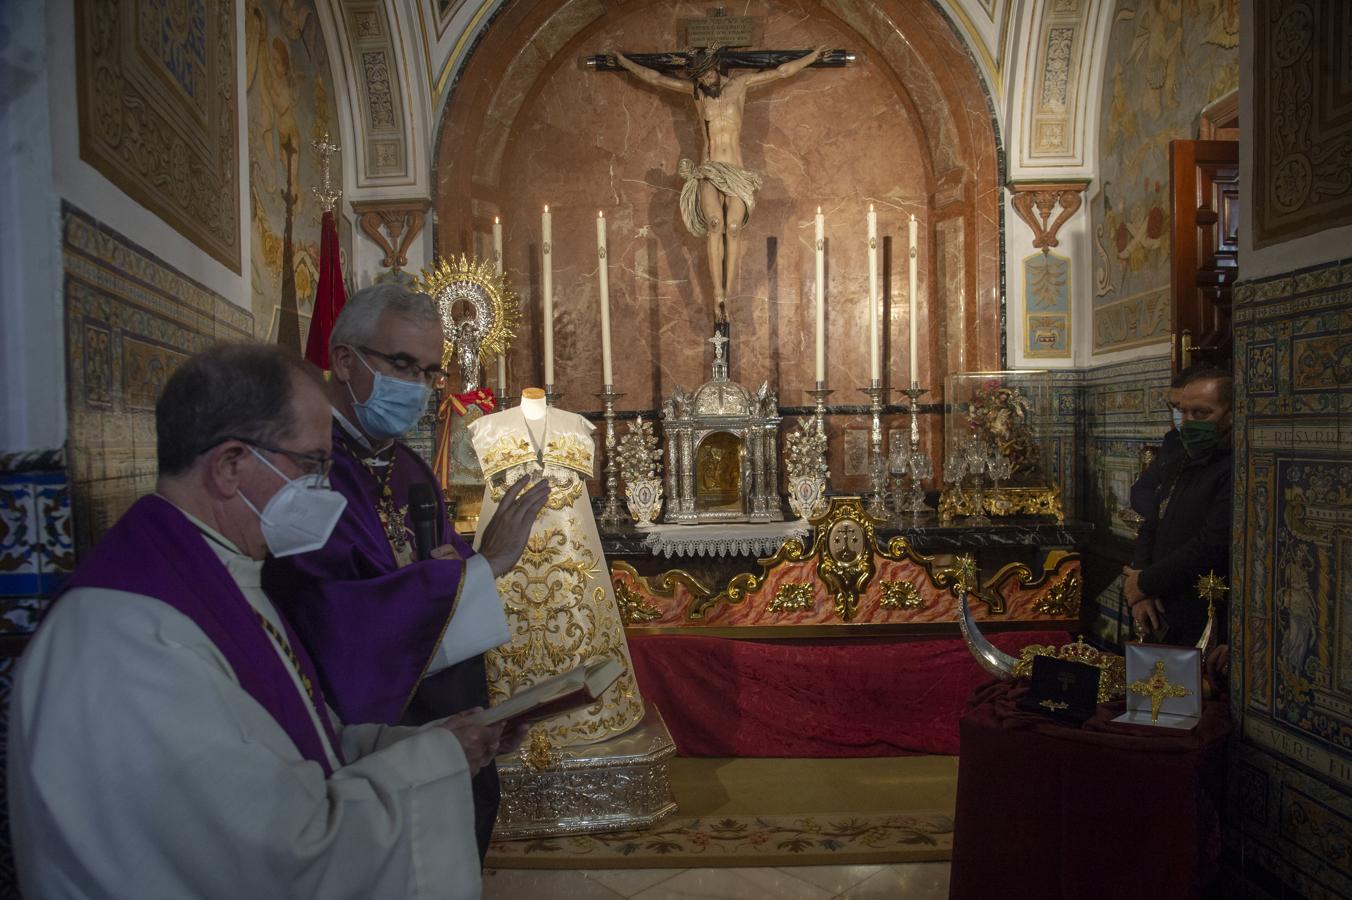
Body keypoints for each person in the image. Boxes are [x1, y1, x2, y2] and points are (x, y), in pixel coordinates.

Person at [8, 343, 523, 897]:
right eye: (313, 464)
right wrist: (440, 760)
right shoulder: (131, 639)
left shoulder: (221, 575)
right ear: (231, 465)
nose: (327, 488)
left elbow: (301, 751)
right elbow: (279, 852)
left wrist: (432, 739)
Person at [262, 284, 550, 863]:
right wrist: (484, 566)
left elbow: (438, 587)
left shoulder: (409, 467)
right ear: (344, 361)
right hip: (367, 742)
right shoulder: (306, 469)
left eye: (429, 371)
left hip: (439, 722)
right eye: (401, 364)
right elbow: (331, 615)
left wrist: (482, 719)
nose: (418, 387)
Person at [612, 44, 831, 320]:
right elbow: (655, 78)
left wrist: (812, 57)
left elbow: (781, 71)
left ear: (716, 68)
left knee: (734, 227)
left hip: (736, 172)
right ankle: (718, 295)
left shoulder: (740, 85)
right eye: (700, 78)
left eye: (707, 76)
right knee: (715, 224)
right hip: (710, 169)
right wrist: (623, 61)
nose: (704, 82)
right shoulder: (697, 93)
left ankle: (728, 293)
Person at [1123, 368, 1233, 646]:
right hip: (1159, 601)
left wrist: (1145, 582)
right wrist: (1142, 584)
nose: (1188, 422)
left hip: (1202, 605)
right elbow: (1154, 520)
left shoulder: (1233, 467)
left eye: (1201, 413)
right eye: (1183, 412)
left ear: (1232, 414)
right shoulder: (1181, 456)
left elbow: (1211, 543)